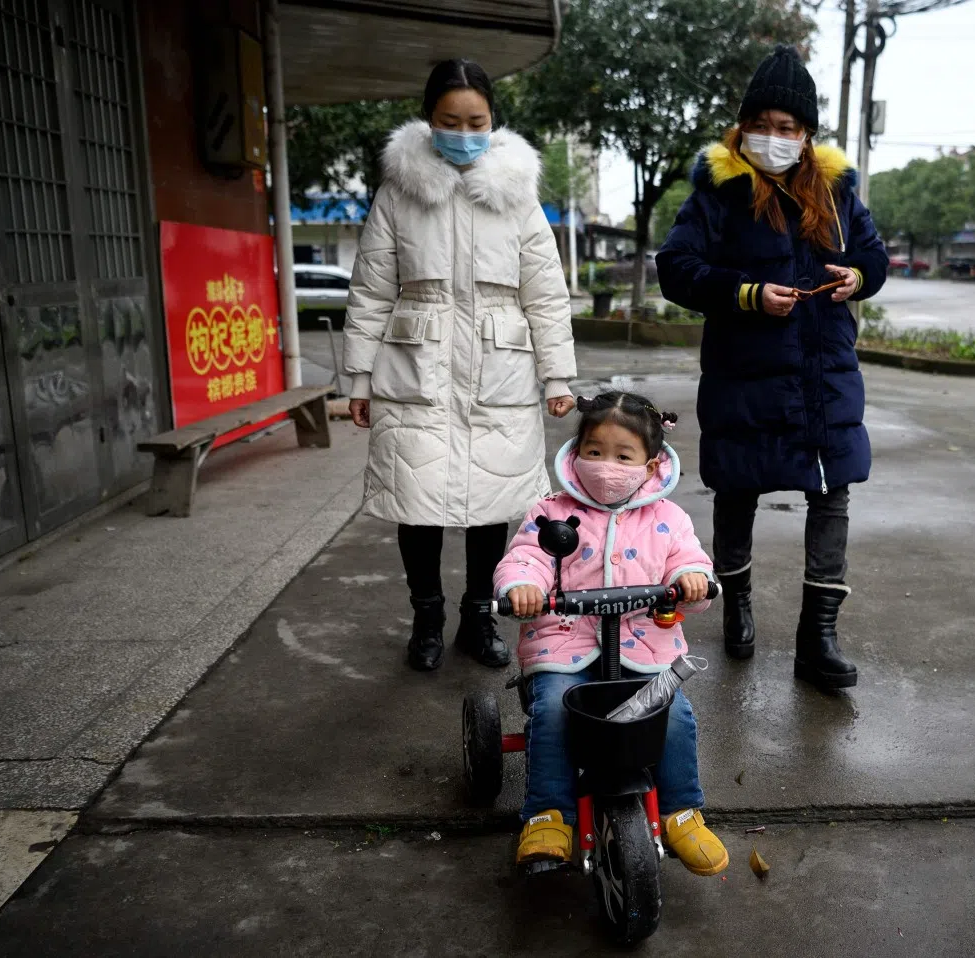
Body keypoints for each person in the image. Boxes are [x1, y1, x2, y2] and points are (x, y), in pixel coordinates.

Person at [656, 44, 888, 691]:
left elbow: (875, 255)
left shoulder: (838, 192)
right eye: (765, 124)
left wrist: (858, 276)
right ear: (744, 126)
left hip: (824, 372)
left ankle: (818, 637)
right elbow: (676, 268)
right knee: (737, 492)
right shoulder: (719, 190)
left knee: (831, 492)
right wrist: (746, 293)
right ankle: (737, 603)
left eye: (789, 128)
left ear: (808, 135)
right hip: (744, 373)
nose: (776, 138)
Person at [343, 59, 576, 672]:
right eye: (451, 120)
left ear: (494, 121)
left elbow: (544, 291)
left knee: (490, 507)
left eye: (477, 120)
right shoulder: (399, 192)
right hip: (415, 368)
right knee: (415, 503)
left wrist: (557, 375)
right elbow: (370, 289)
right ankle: (427, 618)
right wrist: (359, 378)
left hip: (497, 369)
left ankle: (479, 617)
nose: (464, 131)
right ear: (430, 120)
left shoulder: (517, 194)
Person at [494, 392, 727, 876]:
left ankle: (682, 810)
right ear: (577, 451)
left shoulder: (668, 518)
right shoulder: (551, 511)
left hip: (645, 647)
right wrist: (522, 586)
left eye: (623, 456)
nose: (606, 466)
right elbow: (527, 557)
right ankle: (547, 813)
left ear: (650, 464)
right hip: (564, 642)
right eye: (595, 452)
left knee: (675, 717)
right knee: (554, 712)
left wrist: (690, 581)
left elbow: (690, 561)